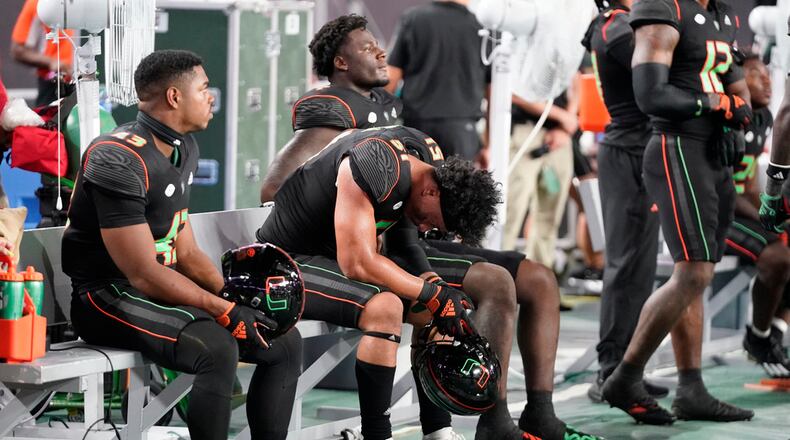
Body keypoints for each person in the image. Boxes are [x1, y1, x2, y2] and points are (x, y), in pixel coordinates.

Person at [260, 15, 601, 440]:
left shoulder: (422, 147)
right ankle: (377, 433)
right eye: (367, 47)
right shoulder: (354, 137)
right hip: (298, 254)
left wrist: (431, 287)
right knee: (398, 302)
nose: (380, 52)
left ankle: (439, 430)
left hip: (359, 243)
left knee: (441, 300)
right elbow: (346, 250)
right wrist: (427, 287)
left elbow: (404, 236)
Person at [61, 50, 302, 440]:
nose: (211, 97)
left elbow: (185, 251)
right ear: (174, 97)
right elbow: (141, 271)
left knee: (282, 341)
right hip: (105, 296)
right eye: (204, 88)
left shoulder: (181, 148)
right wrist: (224, 311)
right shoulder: (116, 158)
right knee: (217, 348)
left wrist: (234, 298)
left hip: (155, 288)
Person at [601, 0, 755, 424]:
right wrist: (717, 106)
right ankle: (624, 376)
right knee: (693, 272)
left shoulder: (722, 13)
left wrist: (732, 119)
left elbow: (740, 87)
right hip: (677, 146)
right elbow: (652, 94)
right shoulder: (662, 7)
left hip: (711, 151)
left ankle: (691, 388)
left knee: (696, 273)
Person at [580, 0, 669, 401]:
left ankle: (626, 368)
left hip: (640, 149)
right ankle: (609, 371)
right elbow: (653, 68)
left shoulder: (619, 24)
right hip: (627, 152)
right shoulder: (613, 26)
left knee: (642, 268)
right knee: (624, 265)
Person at [722, 54, 790, 377]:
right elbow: (727, 191)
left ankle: (773, 331)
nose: (766, 80)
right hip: (714, 215)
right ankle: (758, 338)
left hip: (737, 209)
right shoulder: (728, 119)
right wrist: (767, 216)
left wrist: (772, 211)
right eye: (755, 74)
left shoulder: (761, 119)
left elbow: (747, 185)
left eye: (767, 73)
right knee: (778, 256)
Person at [386, 0, 487, 162]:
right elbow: (494, 92)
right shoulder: (482, 28)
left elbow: (391, 78)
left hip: (417, 127)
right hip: (461, 132)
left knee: (415, 186)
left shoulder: (414, 19)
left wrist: (372, 124)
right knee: (457, 186)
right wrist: (489, 144)